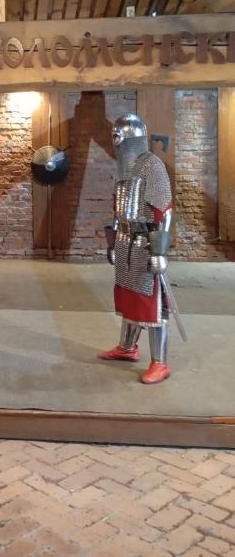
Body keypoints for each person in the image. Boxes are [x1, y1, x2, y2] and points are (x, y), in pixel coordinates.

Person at [98, 113, 174, 384]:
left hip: (144, 244)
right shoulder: (123, 168)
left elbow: (164, 212)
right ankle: (127, 348)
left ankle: (160, 363)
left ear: (131, 138)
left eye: (117, 136)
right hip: (125, 241)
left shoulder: (152, 165)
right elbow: (118, 211)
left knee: (151, 302)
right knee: (128, 296)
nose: (115, 141)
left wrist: (159, 252)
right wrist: (113, 244)